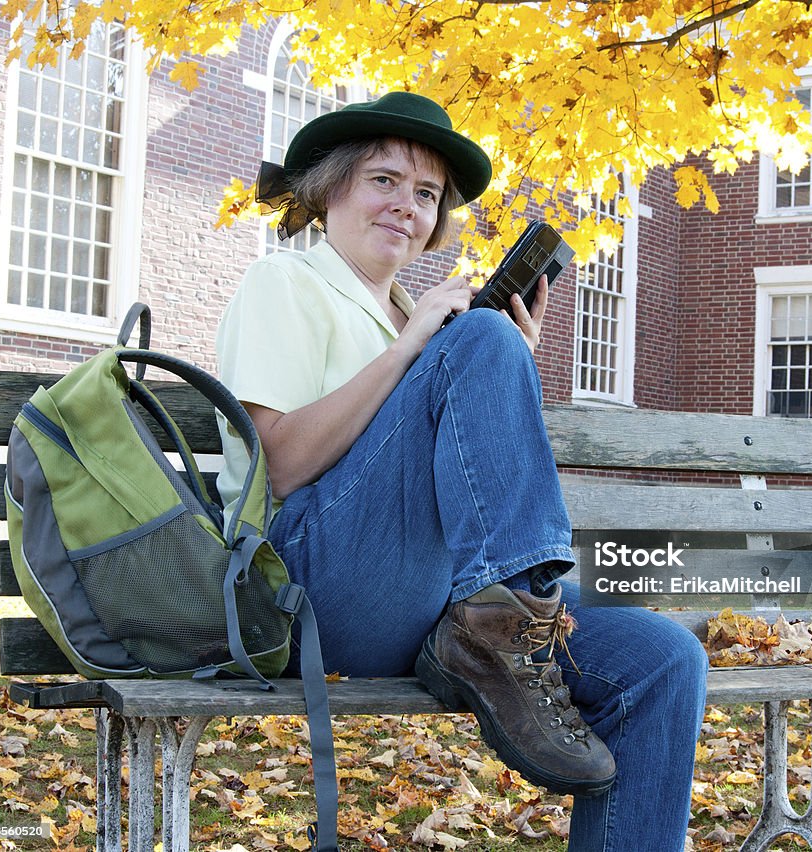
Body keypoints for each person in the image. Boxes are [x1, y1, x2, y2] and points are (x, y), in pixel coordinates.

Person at [215, 91, 708, 851]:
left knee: (662, 660)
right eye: (384, 180)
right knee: (479, 335)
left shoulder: (417, 312)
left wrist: (497, 361)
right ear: (331, 186)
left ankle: (510, 623)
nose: (406, 206)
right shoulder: (287, 284)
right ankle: (503, 629)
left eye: (426, 194)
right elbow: (279, 465)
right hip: (314, 593)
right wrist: (421, 349)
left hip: (437, 597)